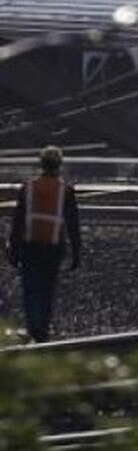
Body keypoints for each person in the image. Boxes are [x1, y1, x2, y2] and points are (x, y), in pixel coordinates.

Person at [6, 146, 81, 342]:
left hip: (30, 244)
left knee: (31, 289)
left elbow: (18, 221)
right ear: (59, 165)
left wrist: (12, 250)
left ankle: (34, 328)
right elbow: (73, 224)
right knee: (47, 290)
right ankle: (43, 332)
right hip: (53, 246)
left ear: (41, 164)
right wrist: (76, 252)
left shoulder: (28, 188)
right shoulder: (66, 190)